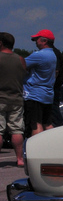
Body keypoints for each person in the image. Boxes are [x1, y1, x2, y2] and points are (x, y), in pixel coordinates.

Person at [23, 29, 58, 136]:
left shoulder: (39, 55)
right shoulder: (53, 55)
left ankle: (37, 149)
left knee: (35, 124)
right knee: (47, 123)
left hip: (35, 94)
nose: (35, 42)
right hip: (47, 94)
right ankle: (52, 145)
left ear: (44, 41)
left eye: (37, 39)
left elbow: (21, 64)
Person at [0, 32, 26, 166]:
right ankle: (20, 159)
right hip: (16, 99)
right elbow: (24, 74)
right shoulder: (20, 59)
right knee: (17, 130)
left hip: (0, 98)